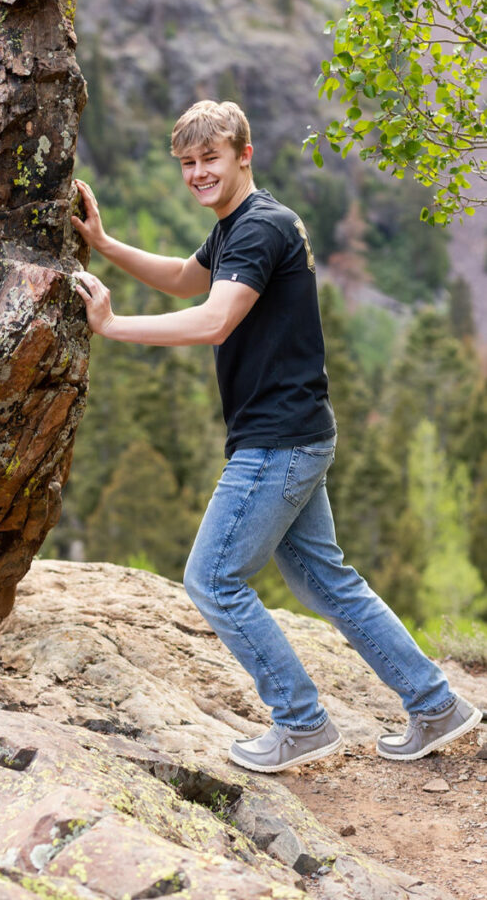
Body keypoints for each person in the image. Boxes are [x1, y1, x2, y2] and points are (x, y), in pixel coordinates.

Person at [71, 99, 482, 773]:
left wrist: (115, 327)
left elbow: (213, 319)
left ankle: (300, 721)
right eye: (187, 164)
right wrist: (107, 246)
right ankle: (436, 706)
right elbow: (186, 277)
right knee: (326, 580)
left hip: (277, 441)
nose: (198, 173)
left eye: (210, 159)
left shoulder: (259, 228)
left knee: (212, 579)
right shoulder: (239, 226)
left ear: (243, 154)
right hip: (295, 433)